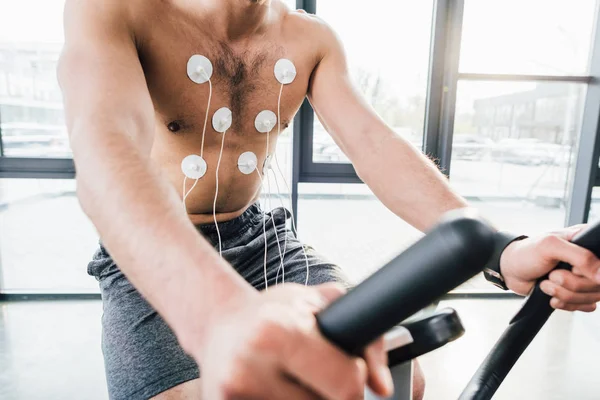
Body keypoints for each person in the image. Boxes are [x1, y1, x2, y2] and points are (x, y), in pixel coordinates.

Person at [58, 0, 600, 399]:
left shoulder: (310, 39)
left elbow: (373, 144)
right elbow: (105, 145)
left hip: (262, 240)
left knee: (389, 378)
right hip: (154, 256)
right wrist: (218, 315)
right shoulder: (115, 10)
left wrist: (502, 251)